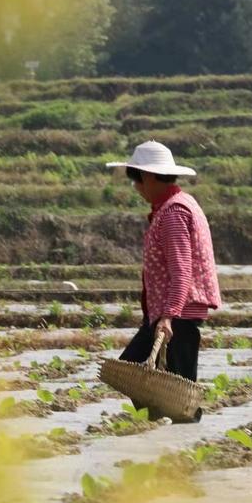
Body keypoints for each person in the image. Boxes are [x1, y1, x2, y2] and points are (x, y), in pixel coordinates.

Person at [106, 141, 222, 417]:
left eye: (137, 182)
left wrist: (169, 316)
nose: (137, 189)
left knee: (179, 395)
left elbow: (181, 270)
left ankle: (179, 441)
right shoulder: (176, 205)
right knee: (137, 372)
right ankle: (161, 431)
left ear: (147, 178)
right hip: (169, 312)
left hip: (177, 315)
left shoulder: (173, 213)